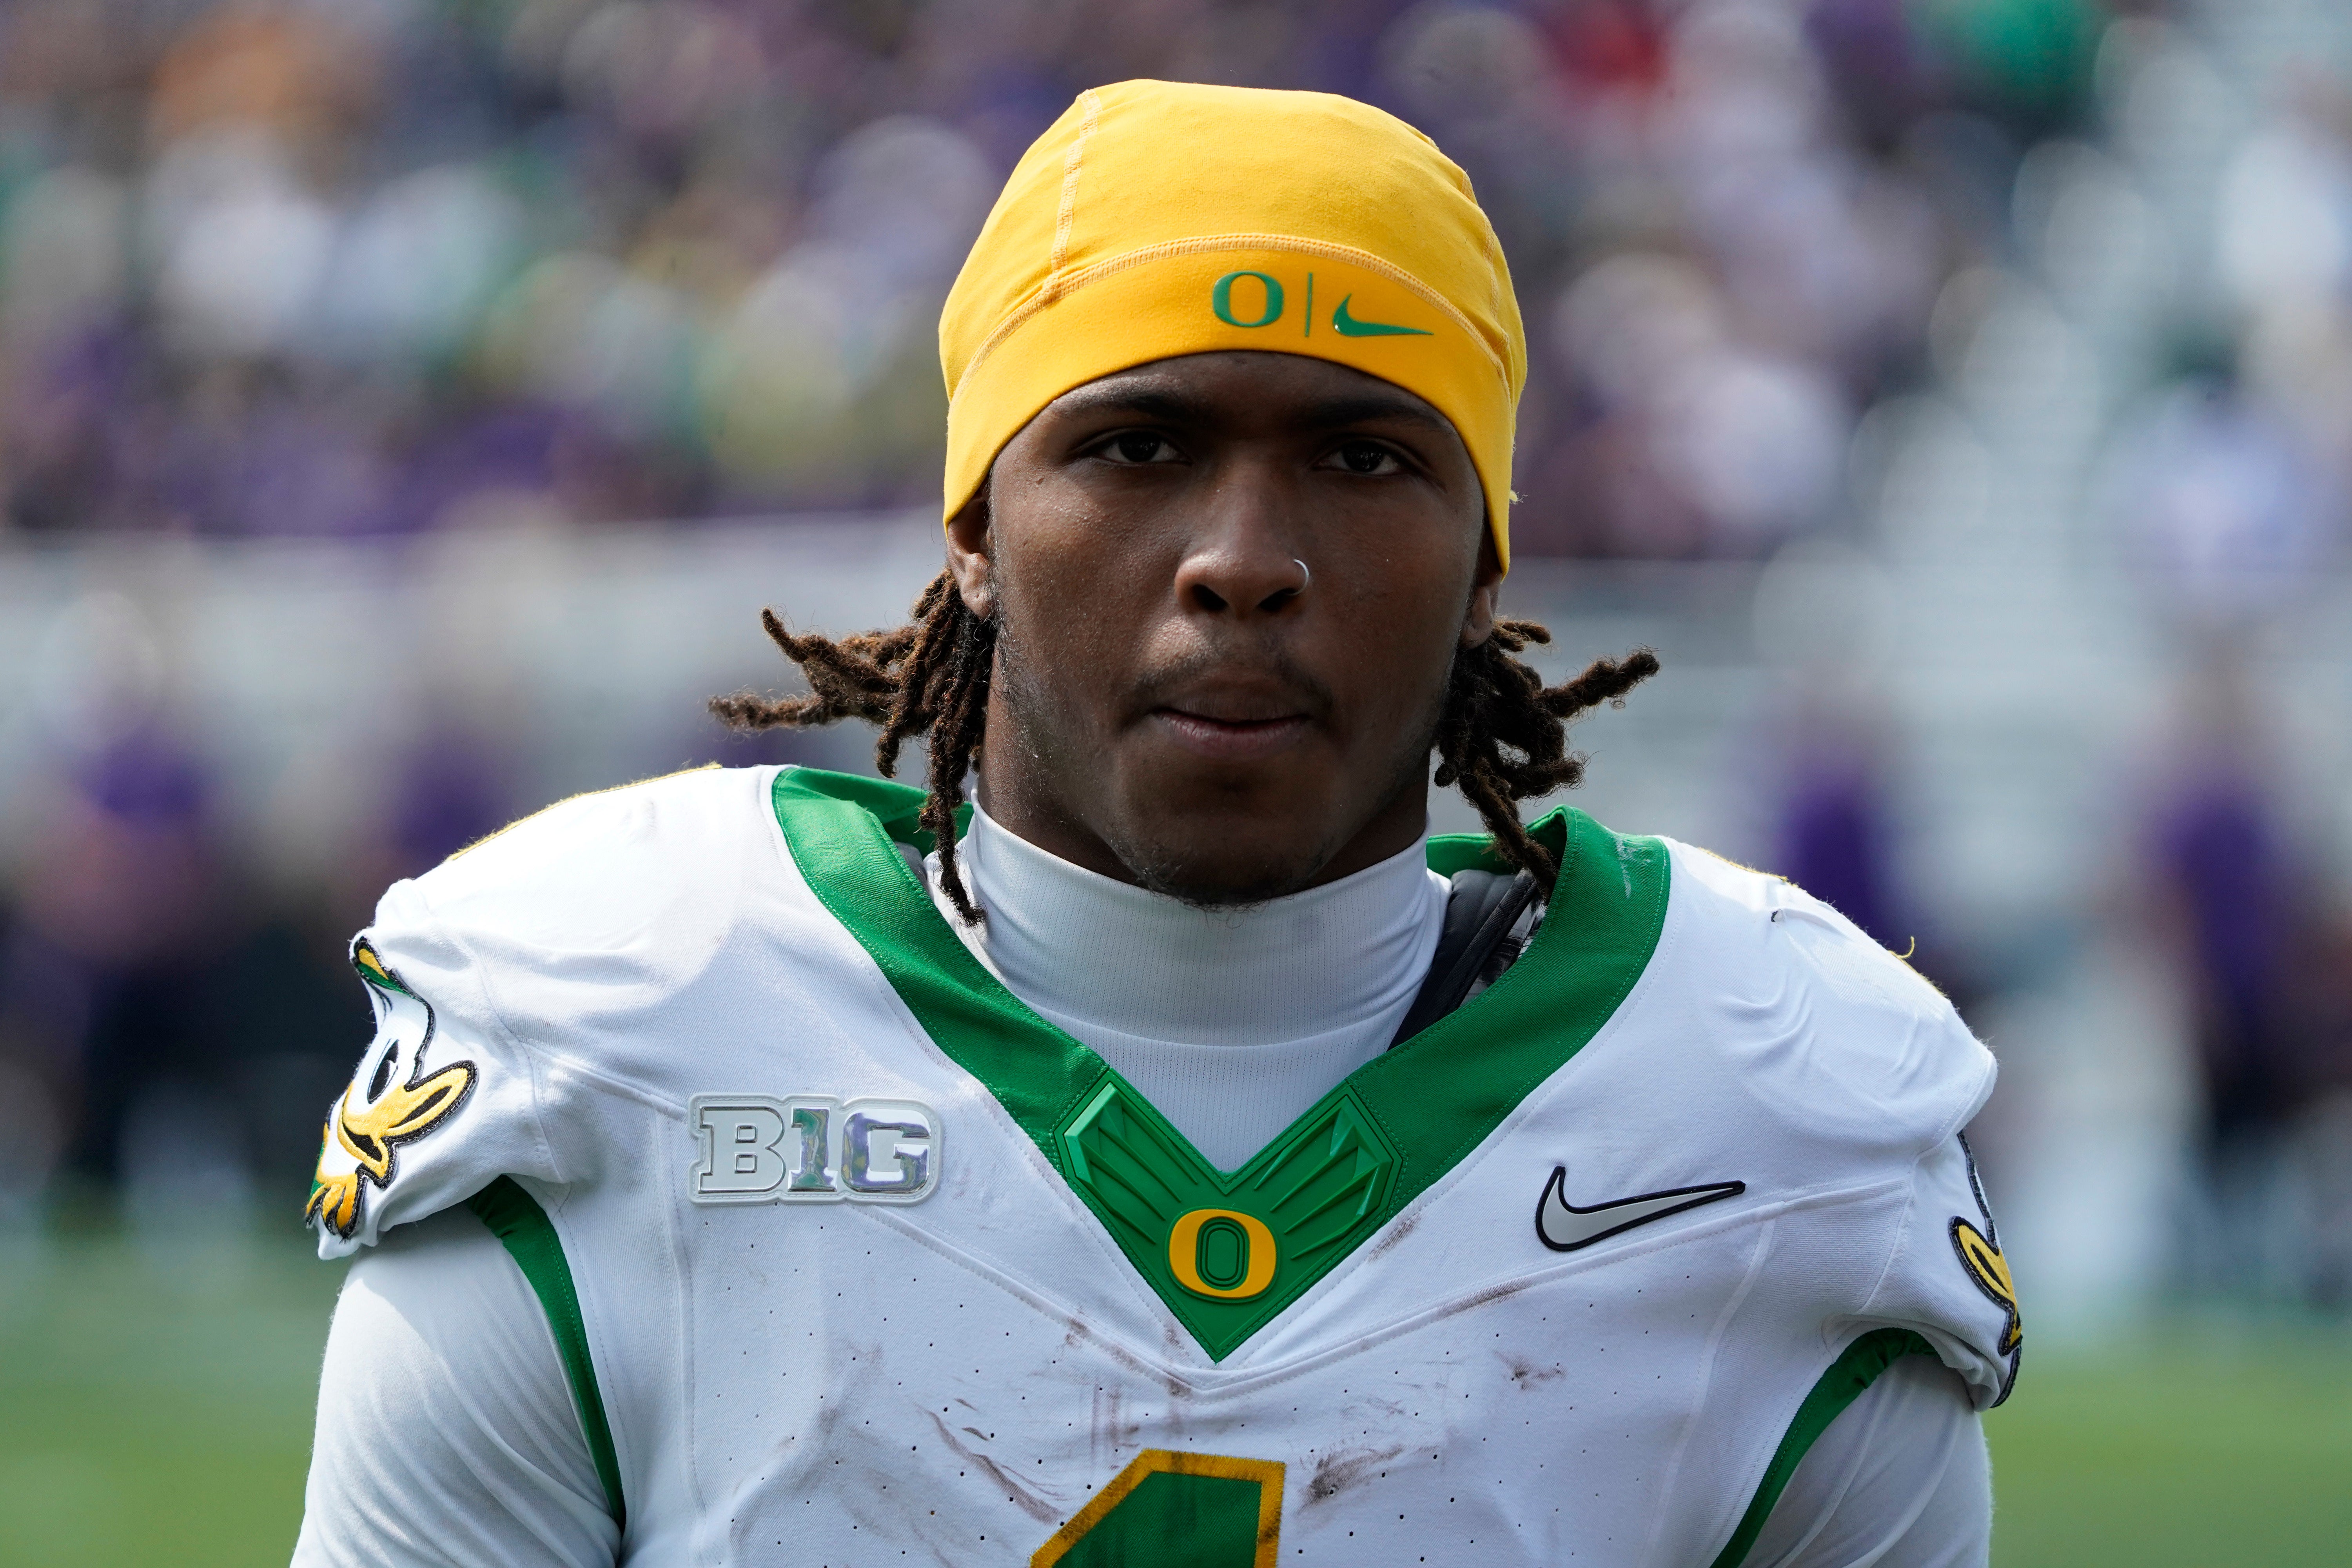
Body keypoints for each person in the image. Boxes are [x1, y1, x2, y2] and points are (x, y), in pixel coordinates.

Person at [293, 82, 2015, 1567]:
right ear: (975, 527)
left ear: (1490, 559)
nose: (1244, 556)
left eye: (1362, 459)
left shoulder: (1759, 1133)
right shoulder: (627, 1045)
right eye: (1136, 445)